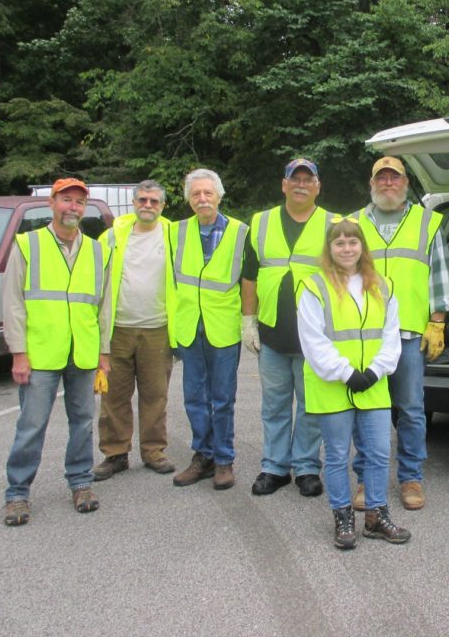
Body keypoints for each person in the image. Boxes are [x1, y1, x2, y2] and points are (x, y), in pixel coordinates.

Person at [2, 177, 111, 526]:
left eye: (79, 202)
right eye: (66, 200)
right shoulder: (27, 245)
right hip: (41, 354)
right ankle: (17, 493)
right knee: (32, 425)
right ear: (52, 203)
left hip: (83, 352)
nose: (73, 208)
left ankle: (81, 483)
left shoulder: (99, 250)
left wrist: (103, 353)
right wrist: (18, 352)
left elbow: (104, 307)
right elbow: (13, 303)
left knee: (82, 423)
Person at [297, 217, 410, 549]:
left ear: (362, 246)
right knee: (335, 455)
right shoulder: (314, 286)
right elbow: (313, 340)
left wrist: (375, 371)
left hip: (373, 382)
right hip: (331, 383)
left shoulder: (383, 285)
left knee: (377, 453)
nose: (347, 248)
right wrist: (346, 372)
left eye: (353, 242)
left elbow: (392, 337)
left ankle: (375, 517)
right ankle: (343, 517)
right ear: (329, 249)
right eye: (339, 243)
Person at [350, 155, 449, 512]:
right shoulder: (353, 223)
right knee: (367, 408)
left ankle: (411, 477)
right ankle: (365, 478)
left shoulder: (427, 222)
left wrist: (437, 320)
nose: (388, 184)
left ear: (406, 184)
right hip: (364, 334)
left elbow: (439, 273)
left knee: (411, 410)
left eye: (395, 178)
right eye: (382, 178)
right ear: (372, 183)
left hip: (409, 333)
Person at [240, 158, 327, 498]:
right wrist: (248, 321)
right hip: (273, 334)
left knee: (310, 405)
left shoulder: (334, 224)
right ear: (284, 184)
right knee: (274, 405)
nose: (301, 184)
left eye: (308, 179)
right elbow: (249, 274)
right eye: (295, 179)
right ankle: (275, 467)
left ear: (318, 186)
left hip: (314, 336)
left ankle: (306, 467)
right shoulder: (260, 223)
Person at [168, 169, 249, 490]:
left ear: (219, 196)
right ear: (188, 199)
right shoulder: (174, 232)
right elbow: (168, 282)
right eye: (196, 194)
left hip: (224, 328)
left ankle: (224, 459)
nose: (202, 199)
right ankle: (203, 455)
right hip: (189, 327)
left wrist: (248, 322)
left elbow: (248, 282)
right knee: (194, 397)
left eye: (208, 193)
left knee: (223, 398)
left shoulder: (241, 232)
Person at [93, 180, 178, 480]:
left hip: (157, 327)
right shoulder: (112, 236)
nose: (148, 206)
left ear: (163, 206)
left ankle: (153, 450)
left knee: (155, 394)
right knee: (114, 395)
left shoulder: (174, 235)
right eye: (142, 200)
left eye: (155, 201)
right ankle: (115, 453)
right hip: (117, 328)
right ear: (133, 203)